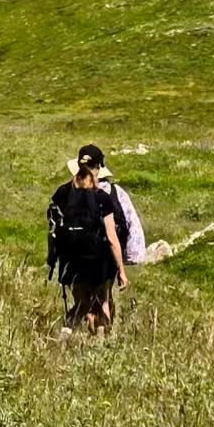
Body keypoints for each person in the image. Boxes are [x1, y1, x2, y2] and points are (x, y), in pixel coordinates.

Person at [47, 159, 127, 335]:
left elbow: (53, 230)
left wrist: (53, 260)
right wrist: (121, 269)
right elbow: (112, 237)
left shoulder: (62, 194)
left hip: (72, 261)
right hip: (98, 263)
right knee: (103, 302)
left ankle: (65, 335)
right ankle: (101, 344)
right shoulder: (102, 198)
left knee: (82, 303)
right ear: (96, 172)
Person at [75, 143, 146, 266]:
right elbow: (133, 225)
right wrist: (133, 258)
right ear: (99, 167)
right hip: (111, 259)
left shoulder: (70, 192)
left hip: (78, 261)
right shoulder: (116, 193)